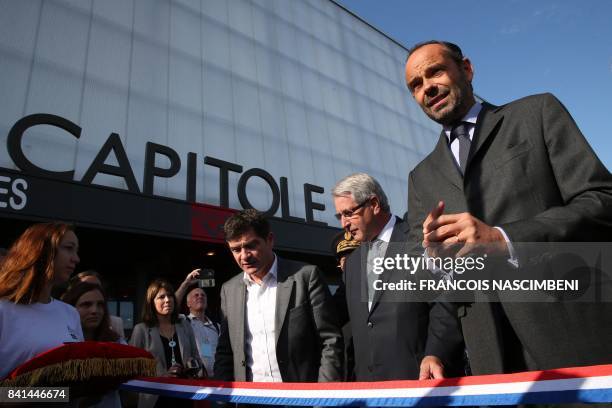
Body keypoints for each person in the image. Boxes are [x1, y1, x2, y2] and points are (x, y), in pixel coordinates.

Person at [404, 40, 612, 374]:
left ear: (467, 69)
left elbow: (601, 200)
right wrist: (437, 349)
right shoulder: (421, 177)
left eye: (435, 72)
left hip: (574, 342)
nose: (427, 87)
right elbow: (432, 280)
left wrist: (504, 238)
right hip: (493, 365)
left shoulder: (536, 113)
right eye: (416, 85)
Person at [332, 173, 464, 381]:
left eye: (348, 213)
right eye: (339, 216)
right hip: (368, 390)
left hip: (419, 383)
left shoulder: (420, 240)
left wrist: (435, 353)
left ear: (374, 204)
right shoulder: (353, 264)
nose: (343, 224)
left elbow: (446, 301)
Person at [213, 209, 343, 383]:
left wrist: (323, 396)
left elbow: (330, 341)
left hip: (300, 398)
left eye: (251, 245)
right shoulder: (229, 290)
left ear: (270, 240)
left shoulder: (306, 276)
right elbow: (225, 352)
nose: (244, 256)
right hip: (250, 398)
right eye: (236, 249)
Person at [0, 222, 84, 379]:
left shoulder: (71, 314)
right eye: (68, 248)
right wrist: (55, 394)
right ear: (41, 250)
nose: (76, 259)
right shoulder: (4, 311)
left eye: (76, 251)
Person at [130, 279, 199, 408]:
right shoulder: (141, 330)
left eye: (170, 296)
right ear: (151, 302)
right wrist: (162, 377)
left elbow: (195, 356)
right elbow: (133, 367)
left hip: (184, 396)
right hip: (155, 399)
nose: (167, 300)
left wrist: (191, 367)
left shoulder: (184, 325)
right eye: (161, 297)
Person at [62, 281, 122, 408]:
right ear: (71, 308)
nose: (95, 310)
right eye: (86, 305)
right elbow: (11, 395)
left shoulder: (117, 342)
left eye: (100, 305)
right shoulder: (60, 344)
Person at [176, 271, 220, 378]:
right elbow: (172, 307)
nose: (200, 297)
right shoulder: (183, 321)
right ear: (188, 303)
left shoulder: (217, 327)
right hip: (195, 380)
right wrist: (186, 283)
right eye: (196, 295)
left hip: (218, 380)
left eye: (203, 295)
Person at [331, 231, 359, 381]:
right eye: (344, 259)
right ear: (339, 265)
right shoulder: (339, 296)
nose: (349, 262)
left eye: (355, 256)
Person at [71, 270, 126, 341]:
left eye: (100, 304)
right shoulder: (60, 337)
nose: (94, 310)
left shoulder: (116, 338)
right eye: (85, 286)